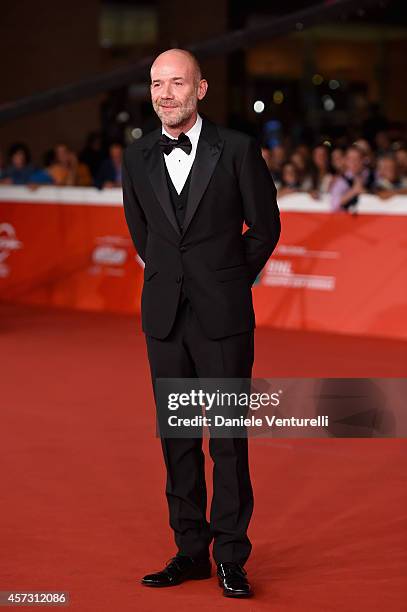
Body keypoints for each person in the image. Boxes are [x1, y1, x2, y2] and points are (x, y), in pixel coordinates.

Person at [122, 48, 280, 599]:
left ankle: (231, 557)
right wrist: (172, 277)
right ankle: (190, 552)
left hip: (223, 316)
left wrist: (229, 279)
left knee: (229, 442)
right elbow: (142, 232)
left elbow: (265, 226)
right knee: (178, 439)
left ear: (201, 89)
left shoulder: (236, 148)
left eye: (177, 83)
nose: (165, 93)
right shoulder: (137, 155)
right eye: (157, 84)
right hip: (164, 317)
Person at [329, 145, 373, 212]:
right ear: (346, 161)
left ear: (363, 160)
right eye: (350, 159)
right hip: (348, 219)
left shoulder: (372, 175)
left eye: (357, 159)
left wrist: (367, 192)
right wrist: (354, 191)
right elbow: (334, 205)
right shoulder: (341, 180)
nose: (353, 162)